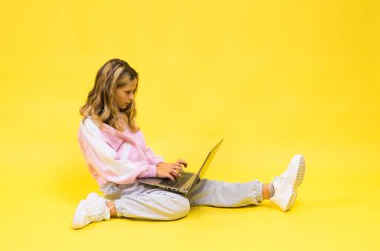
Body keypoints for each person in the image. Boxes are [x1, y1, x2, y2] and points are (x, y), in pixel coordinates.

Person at [72, 58, 306, 229]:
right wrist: (153, 170)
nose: (132, 97)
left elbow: (144, 151)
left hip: (144, 179)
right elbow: (113, 167)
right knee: (179, 205)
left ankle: (273, 190)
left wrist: (163, 165)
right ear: (110, 89)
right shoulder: (89, 127)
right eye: (127, 92)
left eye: (133, 91)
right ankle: (105, 208)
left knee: (202, 186)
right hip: (122, 188)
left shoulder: (121, 115)